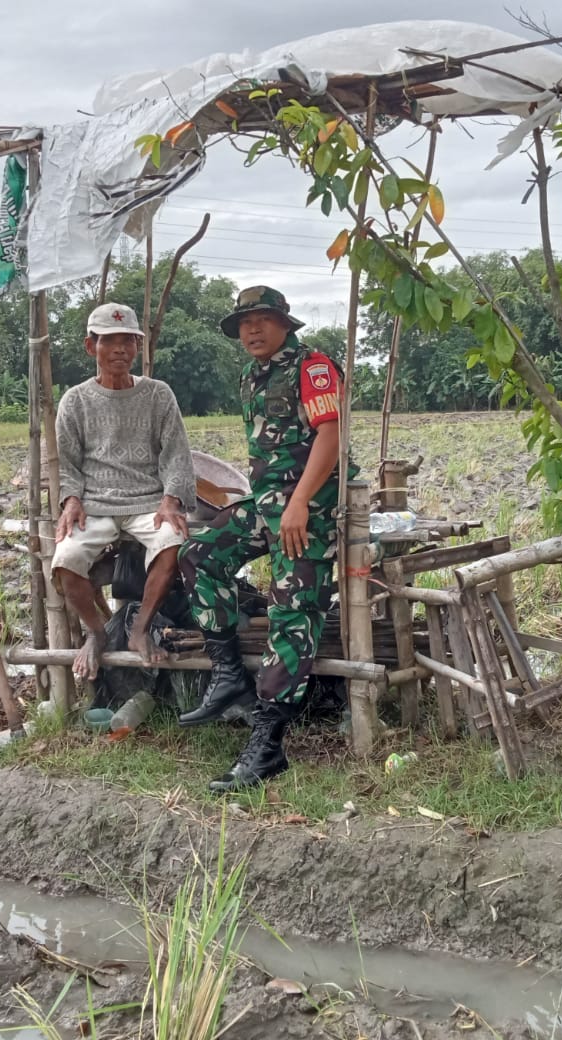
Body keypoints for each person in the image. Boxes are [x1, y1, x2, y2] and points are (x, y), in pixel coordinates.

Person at [177, 285, 350, 792]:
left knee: (291, 612)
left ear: (283, 322)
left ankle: (268, 745)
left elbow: (332, 433)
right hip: (267, 505)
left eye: (261, 320)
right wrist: (276, 503)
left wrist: (299, 503)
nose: (251, 330)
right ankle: (229, 673)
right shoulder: (251, 375)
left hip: (308, 510)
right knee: (200, 556)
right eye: (243, 324)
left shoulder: (312, 365)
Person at [52, 303, 196, 682]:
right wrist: (71, 500)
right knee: (66, 557)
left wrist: (171, 499)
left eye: (128, 341)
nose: (119, 349)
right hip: (96, 503)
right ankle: (97, 631)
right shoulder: (75, 400)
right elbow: (66, 462)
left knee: (172, 541)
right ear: (90, 346)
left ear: (138, 347)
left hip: (147, 499)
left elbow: (177, 453)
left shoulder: (158, 395)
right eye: (109, 341)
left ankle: (138, 629)